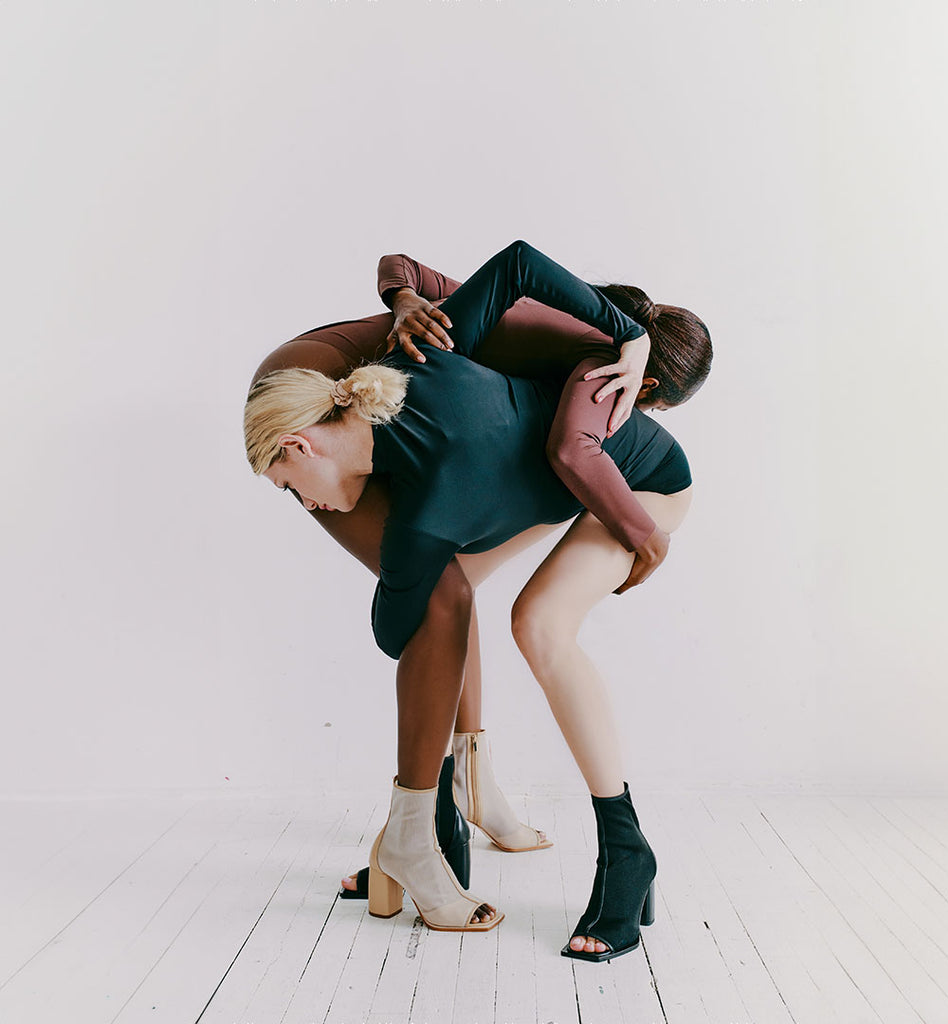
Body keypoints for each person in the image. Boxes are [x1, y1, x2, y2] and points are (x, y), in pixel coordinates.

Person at [246, 241, 711, 950]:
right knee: (455, 593)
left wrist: (643, 532)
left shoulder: (434, 496)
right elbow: (502, 267)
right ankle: (441, 824)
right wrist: (406, 300)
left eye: (287, 488)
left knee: (539, 625)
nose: (304, 506)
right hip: (544, 484)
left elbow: (397, 622)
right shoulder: (428, 358)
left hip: (639, 485)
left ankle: (626, 849)